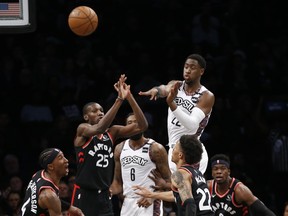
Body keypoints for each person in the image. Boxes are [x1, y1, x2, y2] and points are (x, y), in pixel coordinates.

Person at [71, 74, 148, 216]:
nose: (100, 113)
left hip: (104, 195)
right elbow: (98, 128)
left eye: (101, 110)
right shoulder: (83, 129)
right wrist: (119, 100)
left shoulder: (112, 133)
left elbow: (142, 126)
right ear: (86, 117)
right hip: (84, 193)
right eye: (95, 111)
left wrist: (129, 97)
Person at [139, 53, 215, 174]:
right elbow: (164, 89)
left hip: (192, 152)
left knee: (187, 190)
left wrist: (171, 103)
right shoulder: (177, 85)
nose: (188, 70)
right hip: (174, 150)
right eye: (186, 67)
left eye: (192, 68)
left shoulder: (206, 95)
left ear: (201, 71)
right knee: (177, 190)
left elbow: (192, 125)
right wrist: (156, 90)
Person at [133, 134, 214, 216]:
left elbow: (189, 203)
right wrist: (152, 195)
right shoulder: (197, 173)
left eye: (174, 148)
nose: (172, 150)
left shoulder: (179, 174)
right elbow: (179, 194)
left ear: (180, 155)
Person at [109, 112, 171, 216]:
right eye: (130, 123)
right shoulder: (119, 148)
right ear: (126, 127)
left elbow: (171, 183)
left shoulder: (156, 149)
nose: (133, 126)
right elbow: (117, 183)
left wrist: (154, 195)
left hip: (149, 202)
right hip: (128, 203)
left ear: (142, 125)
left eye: (136, 122)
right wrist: (107, 192)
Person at [20, 148, 84, 216]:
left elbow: (51, 200)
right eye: (60, 158)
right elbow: (51, 199)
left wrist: (70, 208)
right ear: (50, 167)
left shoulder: (39, 174)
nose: (66, 160)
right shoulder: (48, 195)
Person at [207, 154, 276, 216]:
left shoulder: (240, 190)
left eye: (223, 168)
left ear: (229, 172)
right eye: (215, 169)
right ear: (212, 173)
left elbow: (264, 211)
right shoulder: (207, 187)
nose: (219, 172)